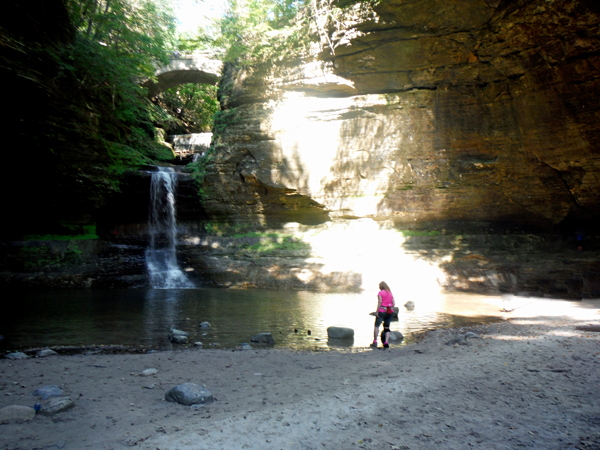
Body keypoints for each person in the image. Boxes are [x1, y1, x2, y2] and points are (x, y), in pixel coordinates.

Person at [371, 281, 395, 349]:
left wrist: (377, 311)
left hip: (382, 311)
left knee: (376, 326)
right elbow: (394, 303)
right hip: (389, 312)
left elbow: (380, 302)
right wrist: (390, 307)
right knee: (387, 327)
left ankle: (375, 341)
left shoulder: (380, 293)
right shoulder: (390, 293)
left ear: (381, 286)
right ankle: (386, 342)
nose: (379, 287)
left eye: (379, 286)